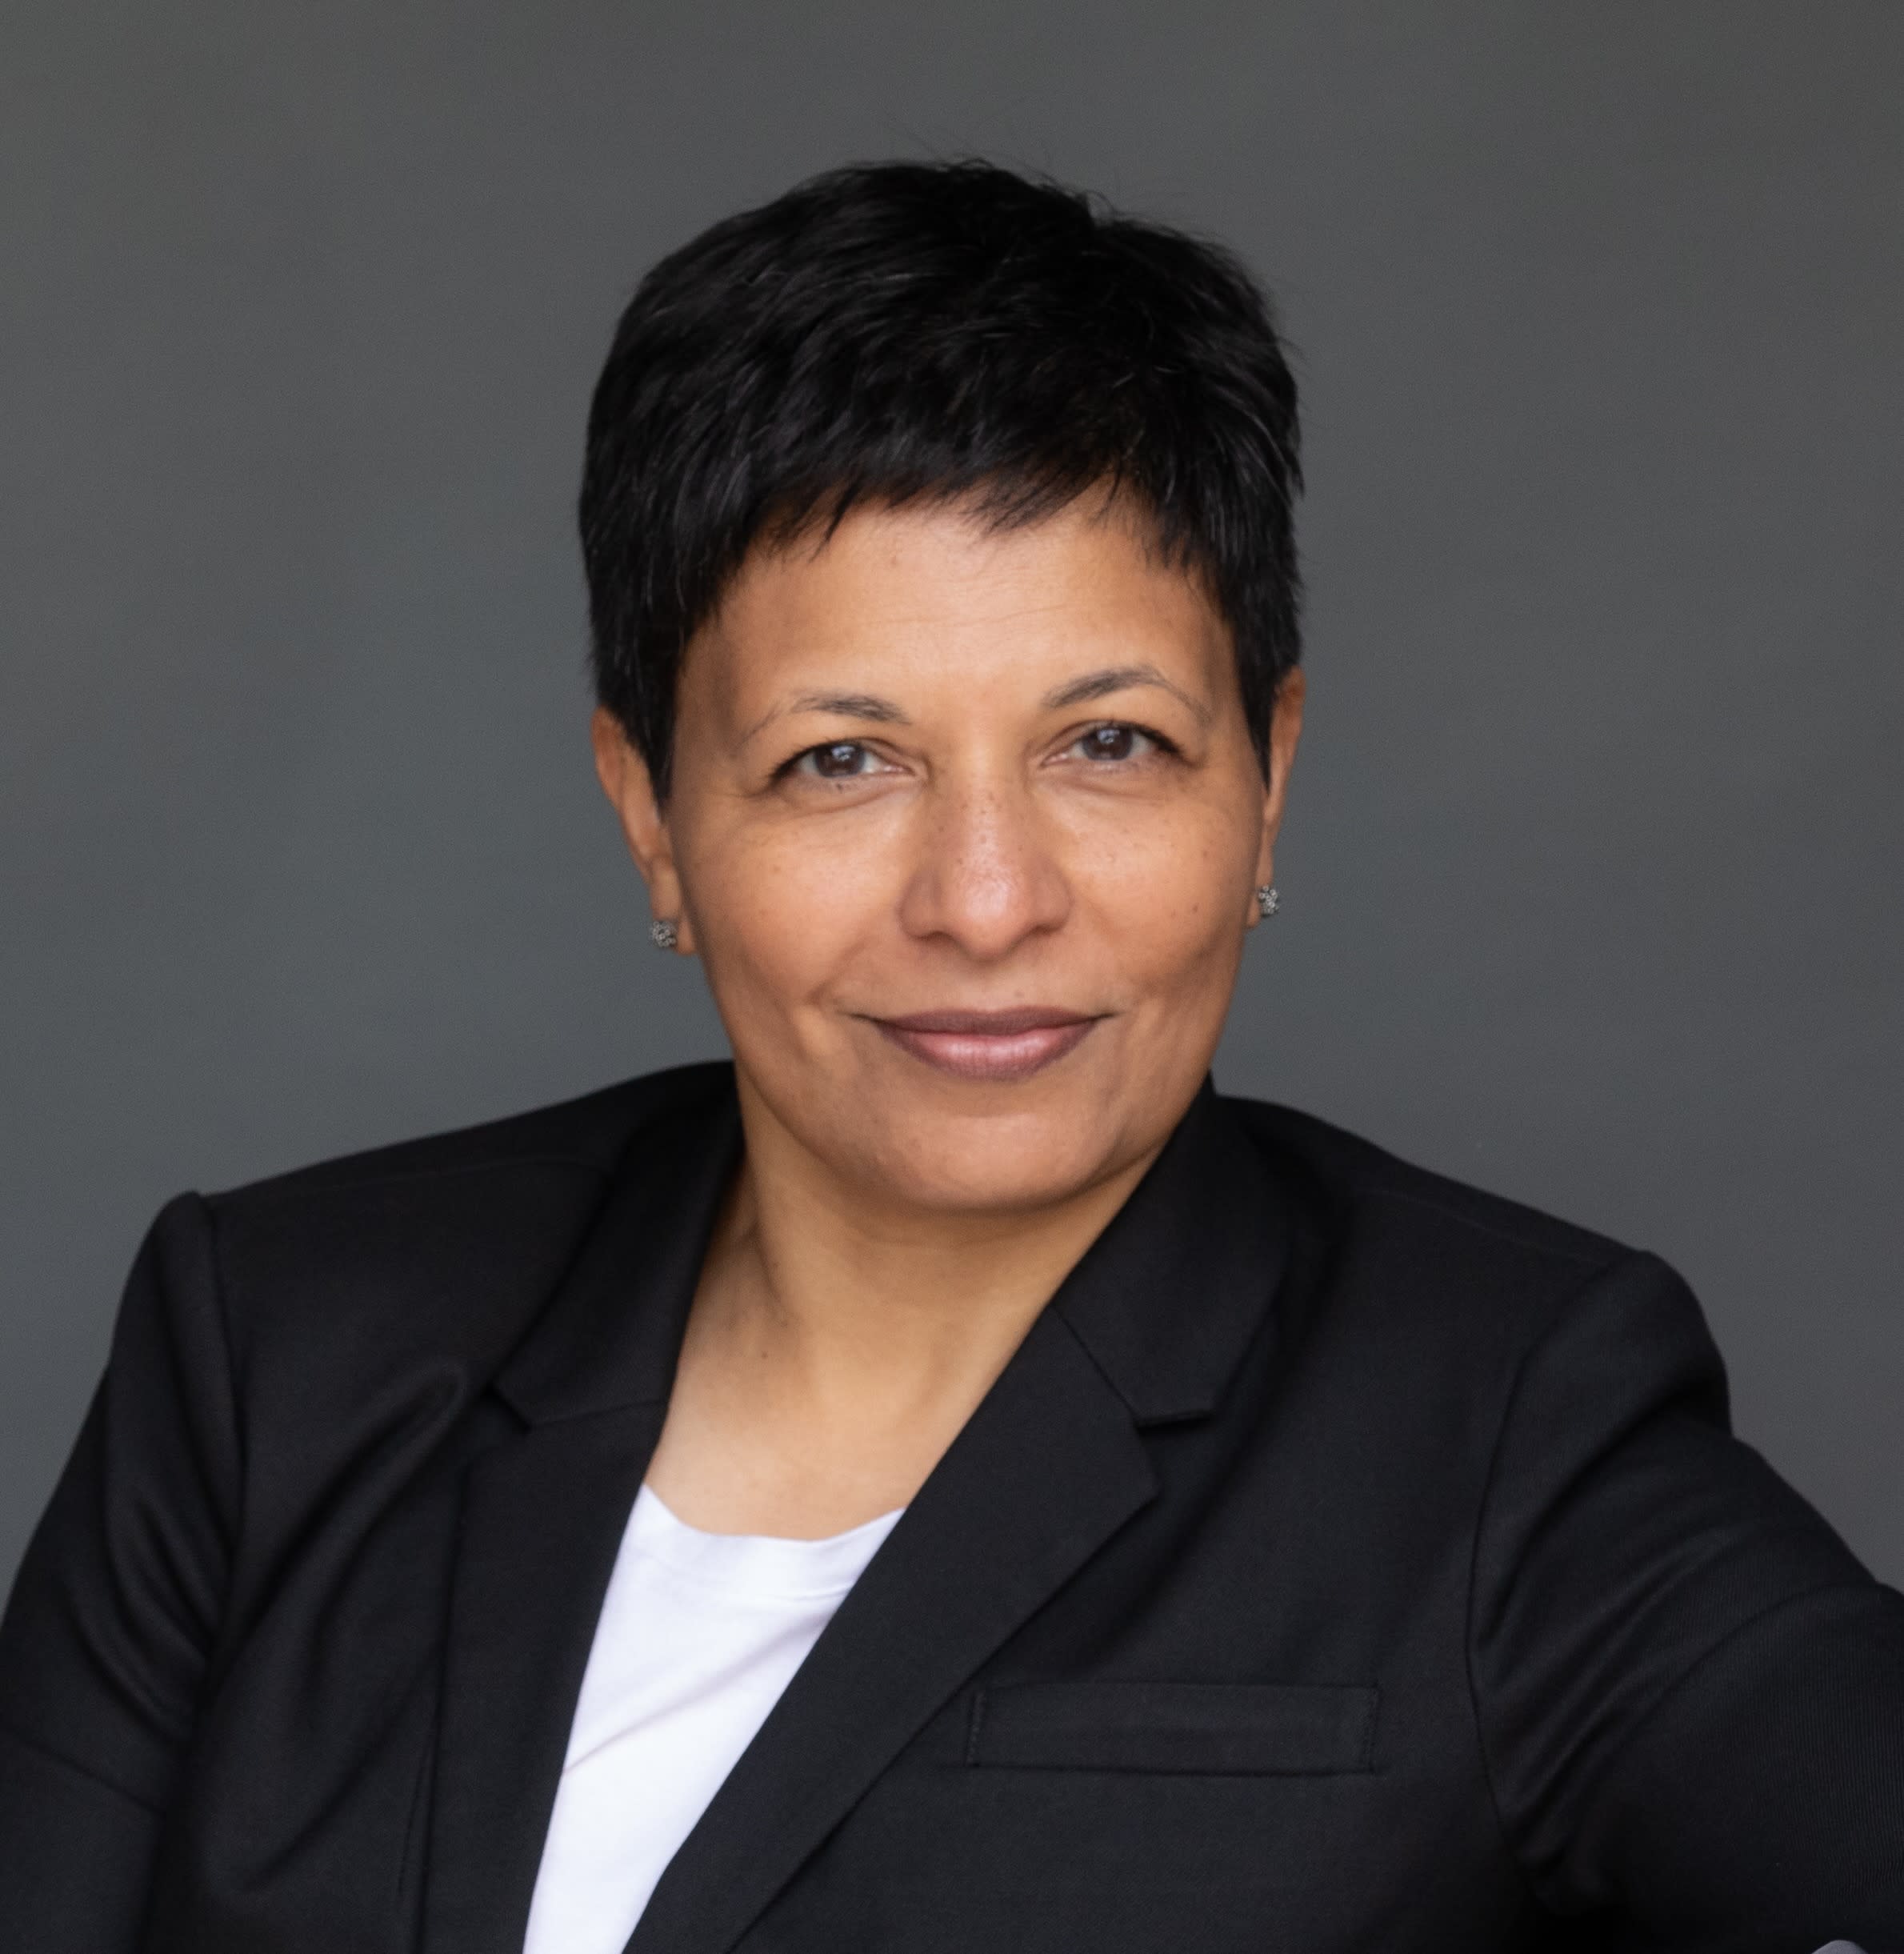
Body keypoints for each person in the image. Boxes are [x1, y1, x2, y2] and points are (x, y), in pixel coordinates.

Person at [0, 159, 1898, 1954]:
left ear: (1269, 781)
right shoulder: (275, 1352)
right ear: (653, 818)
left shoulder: (1512, 1425)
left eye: (1111, 746)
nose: (984, 901)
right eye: (841, 760)